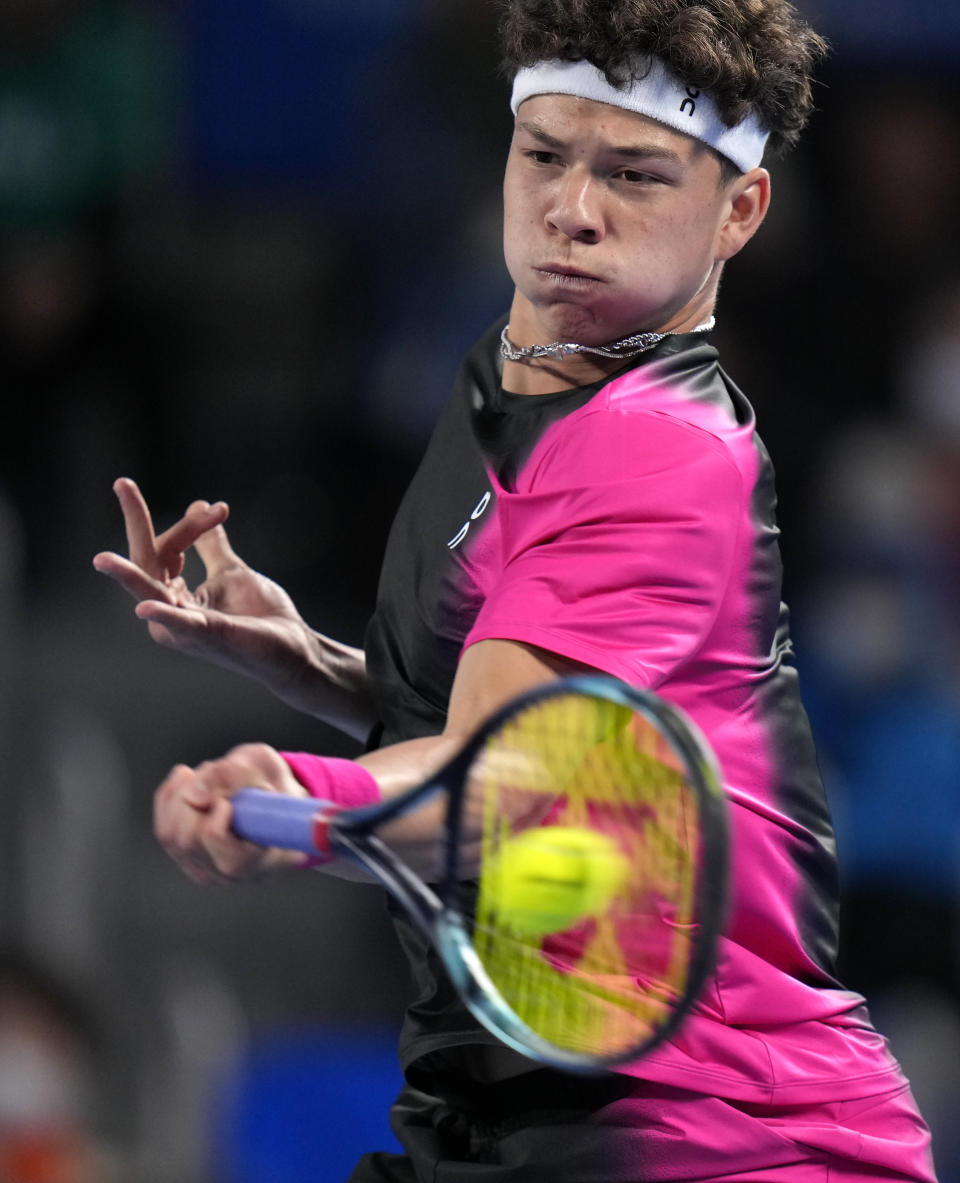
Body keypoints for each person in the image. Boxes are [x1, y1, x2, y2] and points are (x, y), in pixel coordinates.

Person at [94, 1, 940, 1179]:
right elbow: (555, 720)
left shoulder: (655, 446)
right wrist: (322, 667)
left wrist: (299, 794)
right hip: (511, 1103)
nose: (573, 210)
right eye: (545, 154)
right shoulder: (508, 385)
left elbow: (518, 776)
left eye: (637, 176)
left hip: (714, 1130)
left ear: (739, 210)